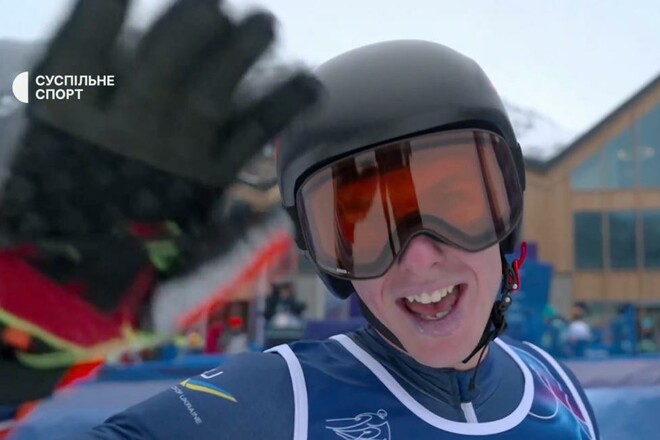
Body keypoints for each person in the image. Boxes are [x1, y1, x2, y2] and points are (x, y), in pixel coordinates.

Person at [9, 1, 599, 439]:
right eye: (366, 228)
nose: (419, 256)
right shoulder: (273, 403)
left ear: (507, 209)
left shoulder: (556, 387)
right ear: (326, 257)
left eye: (453, 205)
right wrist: (15, 353)